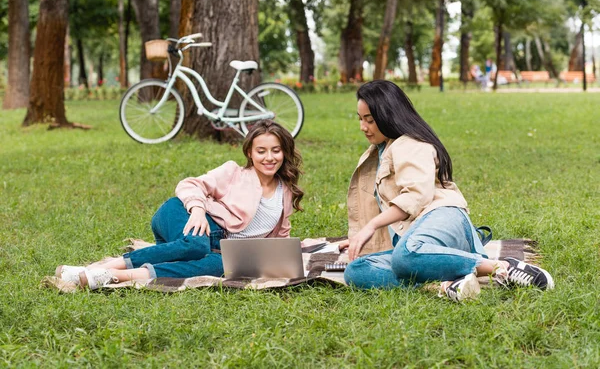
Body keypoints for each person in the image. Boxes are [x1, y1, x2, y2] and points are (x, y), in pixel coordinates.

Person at [338, 80, 554, 301]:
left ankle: (502, 267)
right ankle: (447, 284)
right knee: (357, 271)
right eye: (360, 119)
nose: (363, 127)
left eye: (370, 120)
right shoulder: (380, 150)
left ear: (387, 115)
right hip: (418, 242)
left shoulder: (410, 144)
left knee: (404, 258)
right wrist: (360, 238)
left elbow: (416, 196)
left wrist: (371, 226)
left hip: (444, 218)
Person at [55, 120, 304, 289]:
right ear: (250, 152)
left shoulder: (285, 191)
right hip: (182, 215)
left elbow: (281, 237)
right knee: (195, 244)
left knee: (221, 267)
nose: (269, 157)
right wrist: (197, 210)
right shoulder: (234, 172)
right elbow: (190, 185)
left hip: (218, 249)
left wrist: (289, 254)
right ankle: (104, 266)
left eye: (276, 151)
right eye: (261, 151)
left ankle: (111, 276)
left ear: (284, 153)